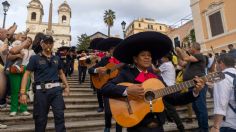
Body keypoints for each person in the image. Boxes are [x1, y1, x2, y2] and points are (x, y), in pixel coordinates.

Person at [101, 31, 205, 132]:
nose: (147, 57)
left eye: (149, 55)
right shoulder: (127, 74)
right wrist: (127, 90)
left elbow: (174, 99)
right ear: (135, 59)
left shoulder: (157, 79)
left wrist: (195, 92)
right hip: (137, 126)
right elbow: (105, 88)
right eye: (143, 55)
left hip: (158, 126)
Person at [19, 35, 70, 132]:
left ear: (53, 44)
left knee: (60, 116)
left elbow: (61, 73)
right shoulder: (35, 58)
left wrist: (67, 86)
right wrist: (23, 92)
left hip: (56, 91)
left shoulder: (56, 58)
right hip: (41, 92)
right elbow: (27, 74)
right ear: (41, 44)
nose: (48, 45)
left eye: (50, 43)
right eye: (46, 42)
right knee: (40, 119)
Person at [88, 37, 123, 132]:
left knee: (119, 112)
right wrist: (97, 70)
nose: (113, 50)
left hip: (121, 89)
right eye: (112, 49)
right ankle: (107, 126)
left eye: (116, 49)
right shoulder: (104, 60)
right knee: (108, 111)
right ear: (110, 51)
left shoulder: (124, 62)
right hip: (108, 88)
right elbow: (90, 70)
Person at [176, 42, 208, 132]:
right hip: (191, 85)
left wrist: (180, 50)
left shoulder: (199, 56)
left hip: (199, 84)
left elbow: (185, 57)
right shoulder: (191, 60)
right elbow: (181, 63)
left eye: (190, 47)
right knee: (196, 107)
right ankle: (200, 127)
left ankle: (204, 129)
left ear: (194, 48)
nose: (189, 48)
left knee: (201, 107)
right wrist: (178, 54)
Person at [210, 55, 236, 132]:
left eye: (216, 64)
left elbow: (221, 104)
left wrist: (215, 126)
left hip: (230, 125)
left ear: (221, 63)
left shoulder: (222, 78)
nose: (215, 66)